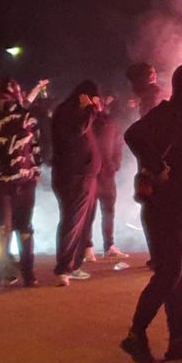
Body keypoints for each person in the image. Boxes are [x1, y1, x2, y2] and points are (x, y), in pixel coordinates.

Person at [120, 64, 182, 363]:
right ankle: (136, 334)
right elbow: (133, 135)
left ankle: (178, 340)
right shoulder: (164, 116)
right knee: (169, 273)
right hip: (164, 211)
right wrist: (159, 168)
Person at [0, 79, 42, 292]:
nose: (6, 99)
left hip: (25, 181)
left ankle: (28, 274)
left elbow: (36, 147)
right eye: (2, 95)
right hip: (0, 182)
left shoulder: (28, 118)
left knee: (25, 229)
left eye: (10, 95)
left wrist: (36, 171)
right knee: (1, 230)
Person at [50, 80, 103, 286]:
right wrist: (89, 109)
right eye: (94, 99)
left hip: (84, 176)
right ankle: (64, 268)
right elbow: (79, 130)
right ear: (85, 96)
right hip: (75, 177)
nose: (96, 104)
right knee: (73, 221)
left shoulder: (75, 111)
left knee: (82, 223)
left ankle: (73, 265)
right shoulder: (70, 112)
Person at [84, 95, 127, 262]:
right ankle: (88, 247)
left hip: (107, 174)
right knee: (89, 212)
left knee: (108, 211)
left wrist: (116, 163)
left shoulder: (111, 123)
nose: (96, 105)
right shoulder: (87, 122)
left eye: (97, 102)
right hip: (91, 174)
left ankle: (109, 245)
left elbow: (118, 144)